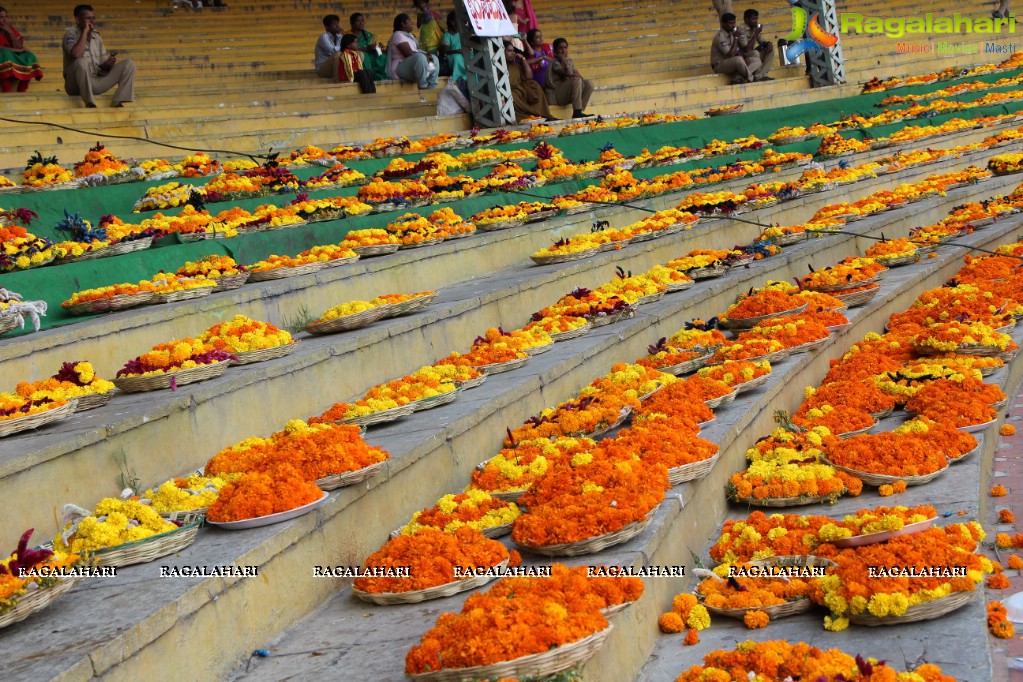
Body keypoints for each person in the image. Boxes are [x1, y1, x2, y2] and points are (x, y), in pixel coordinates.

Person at [62, 4, 135, 107]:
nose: (92, 21)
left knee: (128, 64)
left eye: (93, 18)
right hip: (75, 86)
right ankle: (89, 102)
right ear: (77, 19)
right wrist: (85, 31)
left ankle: (118, 100)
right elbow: (76, 54)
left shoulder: (97, 36)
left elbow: (102, 63)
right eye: (88, 18)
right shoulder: (70, 34)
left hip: (94, 82)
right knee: (81, 61)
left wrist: (107, 64)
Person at [388, 13, 438, 90]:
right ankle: (423, 87)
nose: (412, 24)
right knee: (420, 57)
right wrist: (425, 56)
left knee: (434, 58)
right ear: (403, 24)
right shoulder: (397, 35)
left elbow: (416, 50)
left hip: (412, 65)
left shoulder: (409, 35)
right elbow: (409, 53)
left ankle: (432, 87)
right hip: (400, 67)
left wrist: (427, 55)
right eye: (409, 22)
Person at [544, 38, 592, 119]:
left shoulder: (569, 61)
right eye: (560, 48)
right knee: (576, 80)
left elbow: (579, 77)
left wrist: (567, 62)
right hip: (557, 96)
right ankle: (577, 112)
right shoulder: (555, 62)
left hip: (566, 94)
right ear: (555, 52)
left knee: (589, 83)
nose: (564, 50)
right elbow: (569, 74)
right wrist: (564, 61)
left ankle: (580, 110)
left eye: (565, 47)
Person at [504, 41, 552, 122]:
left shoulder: (515, 65)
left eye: (513, 51)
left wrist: (523, 59)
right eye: (509, 51)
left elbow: (529, 77)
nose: (513, 53)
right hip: (512, 92)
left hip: (521, 90)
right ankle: (531, 116)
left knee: (534, 85)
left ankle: (543, 114)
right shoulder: (498, 66)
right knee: (512, 96)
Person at [0, 7, 42, 92]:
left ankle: (22, 89)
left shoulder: (10, 29)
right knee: (5, 53)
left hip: (11, 55)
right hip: (3, 56)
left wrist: (10, 33)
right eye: (1, 17)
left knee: (29, 55)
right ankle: (7, 89)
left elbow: (19, 47)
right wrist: (16, 50)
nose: (4, 20)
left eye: (6, 17)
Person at [710, 12, 750, 85]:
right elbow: (731, 55)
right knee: (739, 59)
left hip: (730, 62)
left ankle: (738, 77)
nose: (733, 26)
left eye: (734, 23)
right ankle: (751, 77)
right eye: (730, 23)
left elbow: (741, 50)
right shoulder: (720, 37)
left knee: (753, 59)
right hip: (719, 65)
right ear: (723, 24)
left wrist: (745, 57)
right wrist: (736, 38)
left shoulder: (731, 33)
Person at [349, 12, 389, 81]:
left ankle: (382, 76)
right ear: (352, 23)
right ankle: (371, 76)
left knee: (383, 57)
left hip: (370, 53)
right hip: (358, 55)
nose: (361, 23)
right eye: (358, 21)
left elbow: (373, 46)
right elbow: (350, 50)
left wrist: (378, 47)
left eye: (362, 21)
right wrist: (367, 48)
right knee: (365, 56)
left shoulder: (368, 35)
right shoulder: (347, 35)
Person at [737, 9, 772, 81]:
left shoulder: (755, 28)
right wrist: (756, 33)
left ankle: (762, 74)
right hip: (743, 55)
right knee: (755, 52)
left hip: (752, 53)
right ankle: (756, 76)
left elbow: (762, 42)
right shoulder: (741, 30)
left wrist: (768, 43)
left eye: (757, 18)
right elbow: (746, 49)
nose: (756, 21)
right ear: (746, 19)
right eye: (753, 19)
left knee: (770, 48)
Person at [314, 14, 346, 79]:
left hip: (333, 67)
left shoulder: (339, 36)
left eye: (338, 24)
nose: (338, 26)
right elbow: (334, 51)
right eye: (335, 24)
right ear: (327, 27)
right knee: (338, 54)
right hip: (322, 69)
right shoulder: (323, 37)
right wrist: (340, 35)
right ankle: (338, 80)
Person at [438, 11, 464, 81]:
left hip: (463, 54)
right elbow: (446, 50)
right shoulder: (447, 35)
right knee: (457, 57)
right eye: (458, 19)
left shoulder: (463, 33)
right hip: (453, 56)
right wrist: (458, 51)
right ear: (452, 22)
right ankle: (459, 79)